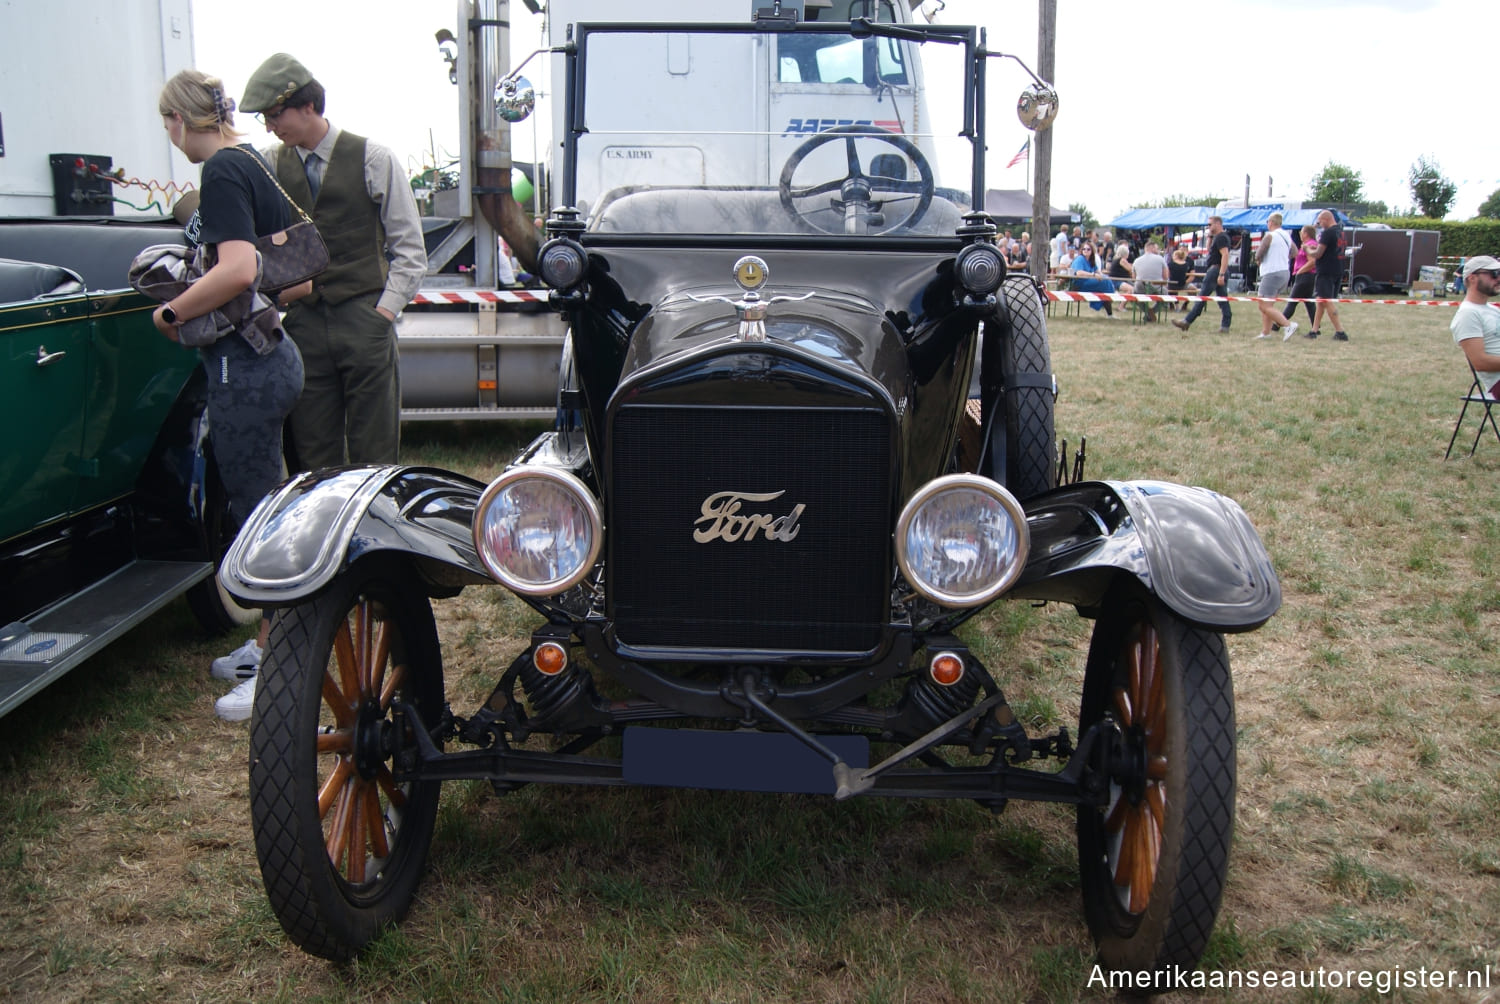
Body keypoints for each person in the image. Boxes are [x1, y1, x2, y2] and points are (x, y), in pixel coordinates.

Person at [148, 69, 306, 721]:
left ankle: (278, 658)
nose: (169, 137)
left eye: (167, 124)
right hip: (273, 356)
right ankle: (269, 640)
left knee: (255, 514)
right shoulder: (253, 162)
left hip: (247, 364)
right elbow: (292, 277)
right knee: (262, 502)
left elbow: (238, 269)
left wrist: (173, 313)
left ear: (181, 122)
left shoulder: (219, 174)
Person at [239, 53, 427, 470]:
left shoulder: (373, 157)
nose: (270, 126)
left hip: (364, 318)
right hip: (303, 325)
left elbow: (410, 250)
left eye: (274, 114)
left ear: (308, 105)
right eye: (265, 119)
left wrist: (383, 313)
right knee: (311, 455)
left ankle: (373, 534)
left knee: (374, 454)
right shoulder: (269, 164)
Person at [1173, 215, 1232, 333]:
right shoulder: (1217, 237)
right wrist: (1209, 237)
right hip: (1216, 270)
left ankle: (1187, 321)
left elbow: (1225, 255)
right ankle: (1225, 325)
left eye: (1210, 224)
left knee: (1202, 297)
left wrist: (1221, 274)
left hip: (1216, 270)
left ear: (1218, 224)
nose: (1208, 227)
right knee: (1222, 299)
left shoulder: (1221, 237)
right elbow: (1209, 250)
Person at [1452, 255, 1500, 397]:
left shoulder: (1492, 309)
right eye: (1494, 274)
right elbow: (1480, 362)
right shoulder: (1468, 314)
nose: (1498, 278)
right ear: (1472, 278)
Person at [1304, 208, 1349, 341]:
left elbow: (1318, 254)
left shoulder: (1327, 233)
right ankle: (1314, 330)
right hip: (1337, 269)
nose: (1319, 224)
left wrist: (1307, 249)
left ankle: (1340, 332)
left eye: (1320, 222)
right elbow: (1329, 249)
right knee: (1321, 301)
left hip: (1326, 271)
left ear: (1326, 219)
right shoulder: (1340, 232)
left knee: (1327, 301)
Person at [1253, 212, 1299, 340]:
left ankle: (1288, 325)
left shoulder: (1270, 236)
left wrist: (1259, 260)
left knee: (1263, 305)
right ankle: (1266, 332)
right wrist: (1283, 257)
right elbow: (1295, 252)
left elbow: (1258, 254)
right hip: (1284, 272)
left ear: (1271, 222)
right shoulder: (1287, 236)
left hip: (1271, 273)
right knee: (1268, 305)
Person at [1279, 224, 1318, 334]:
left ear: (1306, 234)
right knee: (1309, 303)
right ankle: (1316, 327)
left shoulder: (1310, 245)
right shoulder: (1307, 244)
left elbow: (1312, 262)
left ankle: (1277, 324)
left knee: (1292, 301)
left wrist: (1300, 271)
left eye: (1301, 232)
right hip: (1308, 277)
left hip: (1305, 276)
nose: (1300, 234)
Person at [1068, 241, 1117, 316]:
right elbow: (1079, 273)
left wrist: (1101, 275)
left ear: (1092, 251)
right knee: (1103, 283)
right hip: (1080, 285)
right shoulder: (1080, 259)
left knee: (1106, 280)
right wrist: (1093, 274)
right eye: (1084, 249)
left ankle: (1109, 306)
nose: (1086, 251)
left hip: (1089, 283)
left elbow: (1098, 271)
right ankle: (1111, 296)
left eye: (1088, 249)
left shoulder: (1091, 260)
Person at [1132, 240, 1170, 322]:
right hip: (1157, 287)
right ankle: (1151, 312)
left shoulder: (1136, 260)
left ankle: (1148, 312)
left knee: (1134, 295)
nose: (1158, 250)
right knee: (1165, 296)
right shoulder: (1161, 259)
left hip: (1140, 287)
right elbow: (1166, 276)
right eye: (1157, 248)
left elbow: (1134, 278)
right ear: (1152, 248)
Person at [1167, 246, 1193, 311]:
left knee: (1168, 286)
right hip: (1183, 283)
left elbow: (1167, 275)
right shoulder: (1186, 264)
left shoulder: (1171, 264)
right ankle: (1180, 305)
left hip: (1172, 284)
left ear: (1176, 256)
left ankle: (1175, 304)